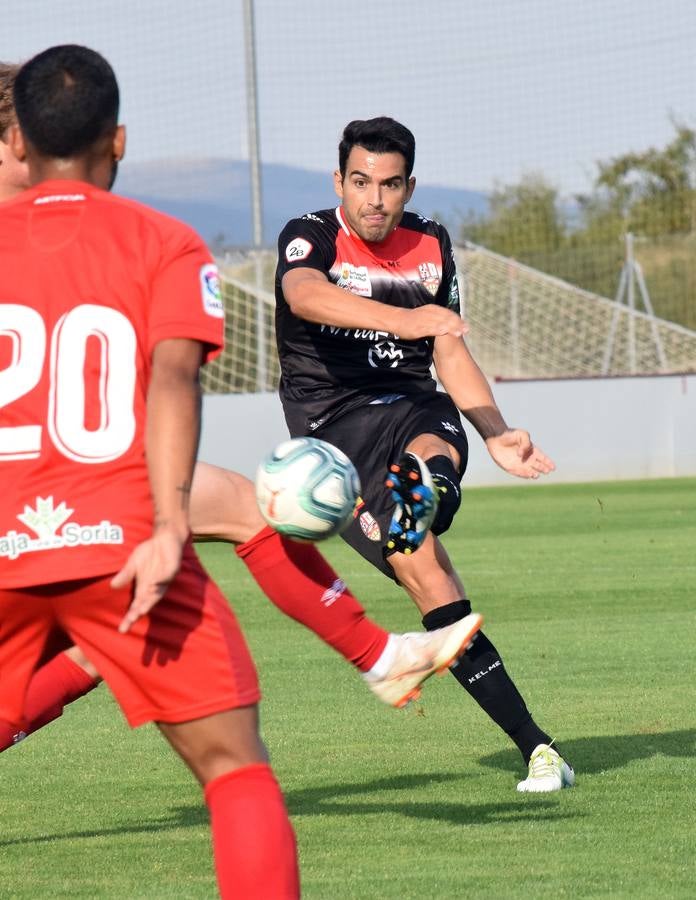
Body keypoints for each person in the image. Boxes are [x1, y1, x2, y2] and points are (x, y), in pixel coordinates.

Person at [0, 62, 482, 753]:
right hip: (68, 481)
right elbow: (174, 382)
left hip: (61, 480)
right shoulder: (138, 236)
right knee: (223, 754)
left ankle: (381, 654)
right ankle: (379, 657)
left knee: (106, 633)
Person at [0, 44, 302, 897]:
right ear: (119, 141)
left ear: (18, 140)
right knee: (235, 770)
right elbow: (173, 382)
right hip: (123, 550)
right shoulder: (165, 242)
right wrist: (172, 526)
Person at [274, 116, 575, 793]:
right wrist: (405, 318)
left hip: (412, 406)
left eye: (388, 185)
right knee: (431, 583)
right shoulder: (309, 236)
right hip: (332, 436)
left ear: (409, 186)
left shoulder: (432, 243)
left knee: (429, 441)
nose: (373, 199)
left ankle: (431, 487)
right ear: (339, 183)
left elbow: (449, 347)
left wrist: (497, 429)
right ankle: (538, 743)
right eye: (360, 183)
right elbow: (305, 295)